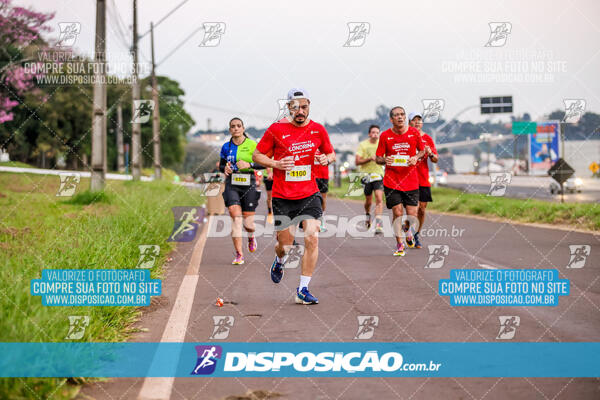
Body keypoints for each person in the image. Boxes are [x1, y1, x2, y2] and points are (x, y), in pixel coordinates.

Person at [253, 88, 335, 305]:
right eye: (295, 107)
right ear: (288, 107)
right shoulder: (276, 129)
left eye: (304, 106)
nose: (300, 111)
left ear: (309, 105)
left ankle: (303, 289)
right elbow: (257, 155)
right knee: (285, 245)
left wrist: (327, 160)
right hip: (283, 196)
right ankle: (279, 260)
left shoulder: (318, 130)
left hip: (309, 194)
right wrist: (276, 163)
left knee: (312, 237)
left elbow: (330, 152)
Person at [375, 106, 425, 256]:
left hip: (411, 180)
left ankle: (408, 230)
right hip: (392, 181)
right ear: (391, 119)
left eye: (402, 114)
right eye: (396, 115)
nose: (400, 117)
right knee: (397, 213)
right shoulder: (385, 136)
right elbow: (377, 158)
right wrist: (385, 159)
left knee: (412, 214)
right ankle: (399, 244)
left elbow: (422, 151)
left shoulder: (414, 133)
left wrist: (416, 157)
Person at [219, 117, 264, 265]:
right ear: (230, 130)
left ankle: (251, 236)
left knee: (248, 223)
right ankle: (239, 254)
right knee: (235, 216)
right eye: (233, 126)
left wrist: (249, 164)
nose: (236, 128)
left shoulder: (252, 145)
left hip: (249, 183)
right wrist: (224, 168)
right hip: (232, 184)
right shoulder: (226, 147)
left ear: (243, 128)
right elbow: (221, 165)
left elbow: (263, 163)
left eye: (239, 126)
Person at [409, 112, 438, 249]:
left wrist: (430, 153)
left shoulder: (427, 138)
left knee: (422, 209)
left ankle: (416, 234)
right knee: (412, 209)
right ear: (409, 123)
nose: (417, 123)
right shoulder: (406, 137)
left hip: (423, 178)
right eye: (414, 120)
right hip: (408, 178)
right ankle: (409, 229)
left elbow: (435, 159)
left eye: (419, 120)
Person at [355, 124, 384, 234]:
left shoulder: (381, 144)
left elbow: (386, 158)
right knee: (368, 201)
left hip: (378, 174)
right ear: (369, 134)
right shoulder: (363, 145)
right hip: (366, 175)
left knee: (379, 197)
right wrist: (369, 159)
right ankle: (367, 214)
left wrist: (380, 159)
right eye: (373, 132)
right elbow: (357, 161)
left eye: (377, 132)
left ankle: (378, 224)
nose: (375, 134)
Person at [313, 149, 332, 231]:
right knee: (311, 198)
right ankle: (309, 220)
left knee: (322, 199)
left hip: (323, 176)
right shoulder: (309, 144)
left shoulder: (325, 145)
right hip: (312, 176)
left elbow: (333, 157)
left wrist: (326, 160)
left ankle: (321, 219)